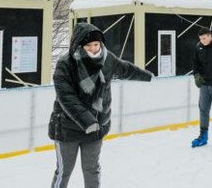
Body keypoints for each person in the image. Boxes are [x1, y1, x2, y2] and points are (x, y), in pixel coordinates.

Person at [49, 23, 154, 188]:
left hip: (97, 126)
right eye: (88, 45)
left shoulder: (107, 58)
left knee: (92, 169)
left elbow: (126, 69)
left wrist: (147, 76)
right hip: (68, 127)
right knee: (64, 170)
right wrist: (87, 120)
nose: (93, 48)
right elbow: (66, 97)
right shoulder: (66, 64)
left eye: (96, 44)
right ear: (78, 45)